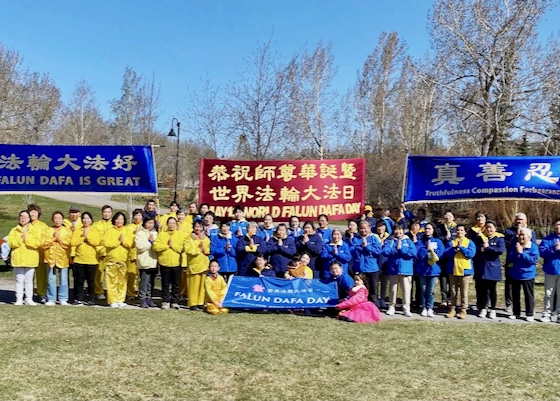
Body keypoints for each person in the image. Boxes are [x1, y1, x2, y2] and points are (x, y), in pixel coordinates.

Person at [504, 212, 537, 313]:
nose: (519, 221)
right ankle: (511, 305)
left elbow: (533, 247)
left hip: (526, 269)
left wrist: (522, 249)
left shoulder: (531, 232)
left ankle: (530, 310)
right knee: (511, 286)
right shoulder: (509, 231)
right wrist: (516, 235)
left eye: (521, 219)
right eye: (517, 219)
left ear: (525, 221)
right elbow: (507, 245)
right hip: (512, 263)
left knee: (528, 291)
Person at [382, 225, 417, 317]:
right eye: (396, 230)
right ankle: (391, 307)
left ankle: (406, 308)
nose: (398, 232)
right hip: (393, 269)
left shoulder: (408, 241)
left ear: (403, 231)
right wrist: (395, 249)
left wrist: (402, 249)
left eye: (400, 230)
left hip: (406, 270)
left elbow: (413, 252)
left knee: (406, 290)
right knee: (392, 290)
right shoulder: (390, 241)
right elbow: (385, 252)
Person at [8, 210, 41, 305]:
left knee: (29, 280)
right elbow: (11, 243)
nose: (23, 219)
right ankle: (19, 299)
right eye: (21, 216)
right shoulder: (14, 230)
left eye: (25, 217)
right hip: (18, 259)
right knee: (19, 280)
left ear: (29, 219)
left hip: (30, 259)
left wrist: (26, 239)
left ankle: (29, 298)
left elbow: (37, 243)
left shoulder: (34, 230)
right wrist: (20, 239)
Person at [474, 220, 505, 319]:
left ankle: (493, 309)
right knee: (482, 290)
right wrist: (481, 249)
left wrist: (488, 248)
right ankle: (483, 308)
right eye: (487, 227)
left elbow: (500, 251)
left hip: (493, 269)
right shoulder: (480, 238)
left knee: (492, 290)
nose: (489, 229)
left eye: (491, 227)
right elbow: (476, 249)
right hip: (481, 267)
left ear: (495, 228)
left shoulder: (499, 239)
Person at [153, 217, 185, 310]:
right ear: (167, 224)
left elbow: (182, 248)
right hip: (165, 263)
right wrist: (167, 246)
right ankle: (165, 301)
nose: (171, 225)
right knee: (165, 284)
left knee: (176, 284)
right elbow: (156, 246)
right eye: (170, 223)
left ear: (176, 225)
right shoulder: (162, 234)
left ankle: (175, 301)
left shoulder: (180, 235)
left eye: (173, 223)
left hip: (176, 263)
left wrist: (173, 246)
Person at [444, 225, 476, 320]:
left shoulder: (469, 242)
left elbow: (470, 254)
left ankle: (463, 309)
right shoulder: (451, 242)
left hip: (465, 270)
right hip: (452, 269)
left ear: (465, 232)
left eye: (462, 230)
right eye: (458, 230)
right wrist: (455, 249)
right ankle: (452, 308)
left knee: (464, 291)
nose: (459, 232)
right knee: (453, 290)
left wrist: (461, 247)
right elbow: (447, 254)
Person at [103, 212, 135, 308]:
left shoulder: (127, 231)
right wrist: (118, 242)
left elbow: (131, 244)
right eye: (117, 219)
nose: (119, 221)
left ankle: (120, 299)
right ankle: (112, 300)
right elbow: (106, 243)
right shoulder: (109, 231)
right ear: (114, 220)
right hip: (111, 260)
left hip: (123, 260)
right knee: (111, 281)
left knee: (122, 281)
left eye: (121, 219)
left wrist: (123, 241)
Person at [507, 227, 539, 321]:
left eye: (523, 235)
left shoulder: (533, 247)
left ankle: (529, 313)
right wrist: (517, 252)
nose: (521, 237)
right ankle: (516, 313)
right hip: (515, 274)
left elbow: (533, 260)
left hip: (528, 275)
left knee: (528, 295)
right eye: (520, 235)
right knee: (515, 295)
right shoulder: (514, 245)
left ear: (529, 237)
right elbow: (509, 257)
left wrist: (522, 253)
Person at [42, 211, 73, 306]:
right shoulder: (47, 230)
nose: (58, 220)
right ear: (52, 219)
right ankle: (51, 298)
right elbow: (43, 244)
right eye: (56, 218)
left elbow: (68, 243)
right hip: (50, 258)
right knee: (51, 279)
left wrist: (59, 239)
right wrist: (52, 240)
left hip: (63, 258)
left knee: (63, 279)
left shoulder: (67, 230)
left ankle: (63, 298)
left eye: (59, 218)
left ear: (63, 220)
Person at [71, 212, 101, 306]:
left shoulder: (95, 230)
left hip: (92, 260)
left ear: (91, 220)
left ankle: (91, 299)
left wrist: (88, 238)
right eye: (84, 218)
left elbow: (97, 242)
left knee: (91, 281)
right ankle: (79, 298)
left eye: (88, 218)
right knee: (79, 280)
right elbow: (73, 242)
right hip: (79, 259)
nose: (85, 220)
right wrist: (82, 238)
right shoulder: (78, 230)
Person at [415, 223, 444, 317]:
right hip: (422, 269)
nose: (427, 230)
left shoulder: (438, 241)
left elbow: (441, 254)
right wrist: (426, 250)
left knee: (430, 290)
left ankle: (430, 308)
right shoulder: (420, 242)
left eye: (430, 229)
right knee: (423, 289)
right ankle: (423, 307)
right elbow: (417, 254)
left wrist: (432, 251)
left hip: (433, 270)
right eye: (426, 229)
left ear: (433, 230)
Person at [352, 221, 382, 305]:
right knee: (361, 290)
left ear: (369, 228)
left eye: (365, 228)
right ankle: (362, 307)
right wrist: (360, 247)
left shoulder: (373, 238)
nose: (363, 230)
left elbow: (378, 251)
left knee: (373, 290)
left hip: (372, 268)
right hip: (360, 269)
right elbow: (352, 250)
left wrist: (367, 247)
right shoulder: (356, 238)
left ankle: (374, 308)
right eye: (361, 228)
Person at [185, 220, 211, 310]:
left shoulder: (206, 238)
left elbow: (208, 250)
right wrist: (198, 250)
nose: (198, 229)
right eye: (196, 226)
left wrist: (205, 250)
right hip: (194, 264)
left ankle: (200, 302)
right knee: (193, 285)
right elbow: (188, 250)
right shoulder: (189, 238)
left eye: (200, 227)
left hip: (204, 264)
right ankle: (193, 303)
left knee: (202, 285)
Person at [538, 218, 560, 322]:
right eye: (556, 225)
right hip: (550, 270)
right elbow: (542, 252)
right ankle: (547, 313)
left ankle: (559, 314)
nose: (558, 227)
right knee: (548, 293)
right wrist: (554, 250)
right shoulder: (547, 239)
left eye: (559, 225)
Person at [135, 217, 158, 308]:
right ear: (144, 223)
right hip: (144, 261)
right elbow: (140, 247)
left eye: (152, 223)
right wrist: (150, 242)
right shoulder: (140, 234)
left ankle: (149, 298)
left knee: (151, 282)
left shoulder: (155, 233)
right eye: (148, 223)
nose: (150, 225)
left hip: (153, 261)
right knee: (144, 281)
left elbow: (157, 246)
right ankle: (142, 298)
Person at [27, 204, 49, 303]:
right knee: (28, 276)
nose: (33, 214)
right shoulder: (25, 225)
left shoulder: (43, 225)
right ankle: (29, 294)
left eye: (35, 212)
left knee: (41, 276)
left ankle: (42, 293)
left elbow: (46, 239)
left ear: (38, 213)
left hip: (40, 254)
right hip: (29, 254)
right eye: (31, 211)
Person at [91, 205, 113, 301]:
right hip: (99, 252)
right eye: (105, 212)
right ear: (102, 213)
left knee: (112, 275)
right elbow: (94, 238)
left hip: (111, 253)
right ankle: (99, 292)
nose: (107, 214)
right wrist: (99, 249)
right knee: (99, 274)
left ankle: (112, 292)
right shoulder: (96, 225)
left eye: (108, 212)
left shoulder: (114, 224)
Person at [436, 210, 457, 308]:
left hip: (453, 256)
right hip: (443, 256)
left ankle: (451, 298)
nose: (448, 217)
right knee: (443, 278)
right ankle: (444, 299)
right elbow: (438, 238)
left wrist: (450, 239)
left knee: (452, 279)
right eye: (446, 216)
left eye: (450, 216)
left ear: (453, 218)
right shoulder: (440, 228)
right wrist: (446, 237)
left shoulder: (457, 228)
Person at [125, 209, 143, 300]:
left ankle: (141, 293)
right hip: (132, 254)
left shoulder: (145, 226)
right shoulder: (128, 227)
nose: (137, 217)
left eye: (139, 215)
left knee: (141, 276)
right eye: (136, 215)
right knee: (131, 275)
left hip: (142, 255)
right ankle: (130, 293)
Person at [374, 220, 390, 309]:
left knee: (384, 283)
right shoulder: (373, 237)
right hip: (375, 264)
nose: (380, 228)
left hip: (385, 263)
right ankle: (375, 300)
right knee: (375, 284)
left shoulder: (389, 238)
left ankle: (383, 299)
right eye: (379, 226)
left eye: (382, 226)